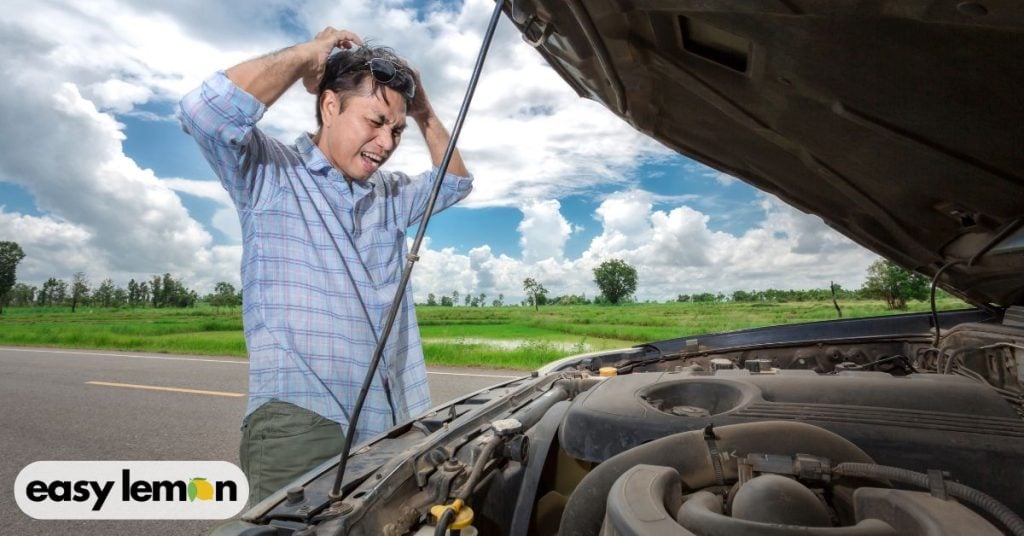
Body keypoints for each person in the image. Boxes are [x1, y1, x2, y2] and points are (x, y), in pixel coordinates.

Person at [177, 27, 472, 505]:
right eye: (375, 121)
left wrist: (422, 112)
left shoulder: (389, 196)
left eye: (395, 131)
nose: (386, 142)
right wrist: (305, 55)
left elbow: (455, 182)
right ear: (330, 107)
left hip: (395, 424)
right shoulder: (271, 173)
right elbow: (204, 113)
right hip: (306, 423)